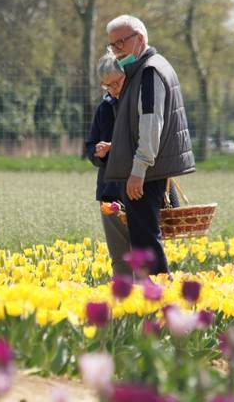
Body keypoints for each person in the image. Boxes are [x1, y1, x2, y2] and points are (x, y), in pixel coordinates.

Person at [104, 14, 195, 276]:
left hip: (146, 173)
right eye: (112, 45)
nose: (116, 51)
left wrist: (138, 169)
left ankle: (157, 302)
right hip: (146, 170)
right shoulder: (145, 69)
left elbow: (151, 122)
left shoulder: (149, 72)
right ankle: (154, 300)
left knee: (146, 243)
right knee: (145, 240)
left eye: (120, 43)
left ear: (140, 39)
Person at [85, 52, 132, 275]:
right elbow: (89, 147)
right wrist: (99, 153)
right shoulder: (104, 108)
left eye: (116, 83)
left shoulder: (139, 104)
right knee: (120, 257)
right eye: (107, 86)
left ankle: (149, 304)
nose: (113, 90)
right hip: (110, 190)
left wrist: (117, 146)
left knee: (146, 255)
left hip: (140, 186)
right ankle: (125, 306)